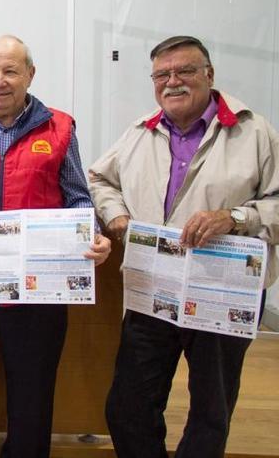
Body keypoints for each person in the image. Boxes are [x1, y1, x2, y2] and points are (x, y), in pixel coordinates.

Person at [88, 35, 279, 458]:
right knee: (127, 406)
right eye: (162, 74)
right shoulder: (141, 132)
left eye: (185, 71)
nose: (172, 82)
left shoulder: (253, 132)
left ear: (209, 75)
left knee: (211, 408)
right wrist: (117, 215)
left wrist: (236, 218)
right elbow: (101, 179)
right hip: (153, 286)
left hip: (222, 291)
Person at [0, 35, 111, 458]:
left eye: (10, 71)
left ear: (30, 74)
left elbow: (77, 196)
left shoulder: (60, 127)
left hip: (38, 290)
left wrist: (94, 233)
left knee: (32, 398)